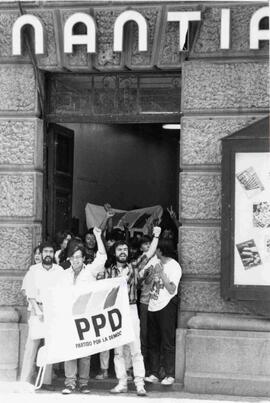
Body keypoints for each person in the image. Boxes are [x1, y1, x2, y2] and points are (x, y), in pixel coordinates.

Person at [96, 226, 161, 397]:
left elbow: (150, 253)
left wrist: (156, 235)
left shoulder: (134, 266)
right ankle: (122, 382)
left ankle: (139, 383)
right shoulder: (108, 271)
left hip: (131, 309)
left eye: (125, 249)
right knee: (118, 350)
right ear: (114, 252)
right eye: (119, 249)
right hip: (115, 311)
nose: (123, 252)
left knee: (135, 348)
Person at [61, 227, 107, 394]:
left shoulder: (90, 272)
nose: (76, 260)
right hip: (69, 317)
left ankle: (83, 383)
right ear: (69, 259)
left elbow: (102, 256)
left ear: (83, 258)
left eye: (79, 257)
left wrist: (98, 236)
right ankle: (70, 383)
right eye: (73, 257)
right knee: (70, 350)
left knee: (85, 352)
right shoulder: (64, 274)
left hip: (86, 317)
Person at [20, 242, 65, 384]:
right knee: (31, 346)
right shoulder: (34, 270)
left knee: (49, 347)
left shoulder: (59, 271)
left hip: (52, 311)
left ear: (53, 254)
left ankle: (45, 381)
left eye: (51, 252)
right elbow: (29, 292)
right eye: (45, 251)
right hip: (36, 310)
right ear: (41, 253)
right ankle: (25, 380)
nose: (48, 254)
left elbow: (63, 292)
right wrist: (38, 311)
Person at [144, 239, 182, 386]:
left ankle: (169, 374)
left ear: (161, 251)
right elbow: (146, 282)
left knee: (167, 341)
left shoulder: (174, 267)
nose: (155, 252)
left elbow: (172, 289)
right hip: (152, 304)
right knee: (153, 341)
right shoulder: (154, 261)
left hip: (166, 306)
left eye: (156, 250)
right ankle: (154, 373)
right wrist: (150, 276)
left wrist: (162, 274)